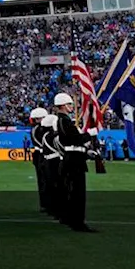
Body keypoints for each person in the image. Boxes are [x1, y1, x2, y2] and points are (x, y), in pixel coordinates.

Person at [53, 93, 97, 232]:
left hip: (73, 158)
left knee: (73, 192)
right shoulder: (64, 121)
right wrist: (90, 133)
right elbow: (76, 139)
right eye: (70, 104)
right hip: (74, 161)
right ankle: (78, 223)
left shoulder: (64, 120)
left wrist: (85, 152)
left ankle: (73, 220)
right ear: (63, 105)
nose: (72, 107)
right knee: (78, 193)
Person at [28, 107, 49, 213]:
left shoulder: (37, 128)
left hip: (40, 155)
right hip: (41, 155)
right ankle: (46, 204)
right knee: (44, 180)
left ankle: (46, 204)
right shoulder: (38, 129)